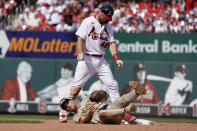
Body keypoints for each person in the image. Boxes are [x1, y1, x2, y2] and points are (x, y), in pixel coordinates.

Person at [68, 4, 123, 105]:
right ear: (100, 13)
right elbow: (80, 38)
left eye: (109, 18)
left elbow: (112, 43)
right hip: (87, 58)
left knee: (112, 85)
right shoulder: (88, 21)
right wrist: (80, 53)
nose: (107, 20)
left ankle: (119, 111)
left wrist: (117, 59)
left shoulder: (108, 26)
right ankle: (64, 111)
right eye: (106, 17)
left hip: (101, 61)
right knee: (75, 90)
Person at [60, 81, 146, 124]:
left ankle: (137, 92)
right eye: (65, 107)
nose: (68, 106)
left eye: (68, 103)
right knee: (101, 113)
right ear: (67, 111)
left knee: (121, 100)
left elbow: (103, 98)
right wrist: (90, 114)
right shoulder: (75, 118)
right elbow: (84, 121)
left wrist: (100, 94)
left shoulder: (85, 99)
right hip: (106, 118)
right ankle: (126, 110)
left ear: (72, 100)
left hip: (110, 107)